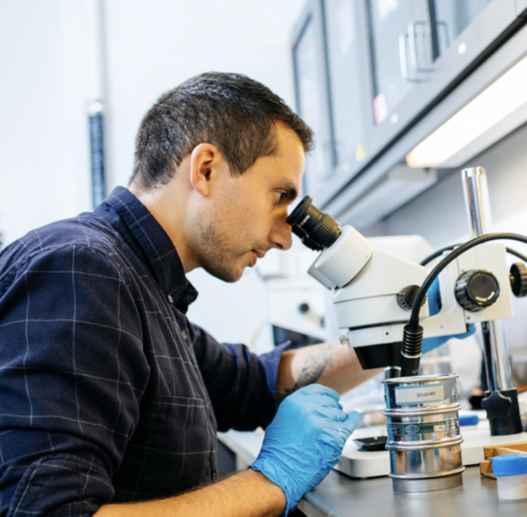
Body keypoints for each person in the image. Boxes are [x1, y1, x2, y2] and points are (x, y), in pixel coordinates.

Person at [0, 73, 417, 516]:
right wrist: (271, 481)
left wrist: (399, 333)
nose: (285, 237)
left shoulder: (145, 286)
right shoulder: (82, 272)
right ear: (206, 169)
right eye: (280, 196)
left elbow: (251, 385)